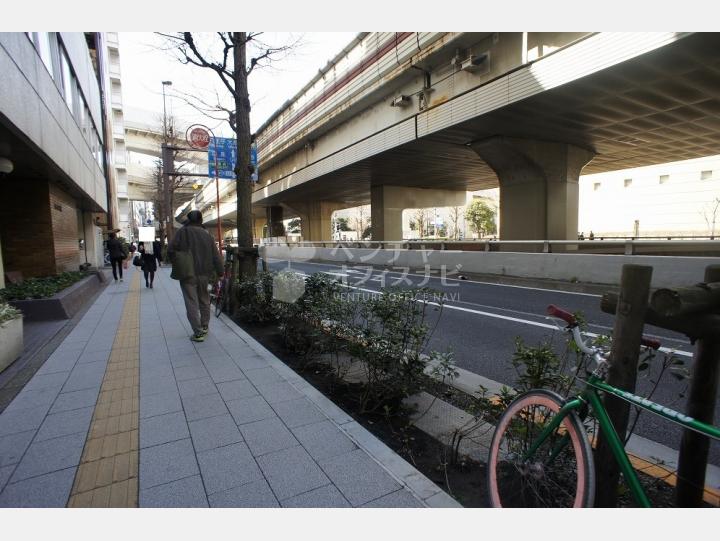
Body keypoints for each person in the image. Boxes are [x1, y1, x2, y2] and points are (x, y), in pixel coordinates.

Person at [168, 210, 223, 342]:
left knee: (191, 302)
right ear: (201, 220)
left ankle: (198, 333)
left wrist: (179, 260)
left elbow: (170, 250)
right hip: (205, 273)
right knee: (204, 300)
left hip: (187, 273)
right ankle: (204, 326)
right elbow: (216, 256)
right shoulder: (207, 235)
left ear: (188, 219)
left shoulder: (182, 232)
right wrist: (220, 273)